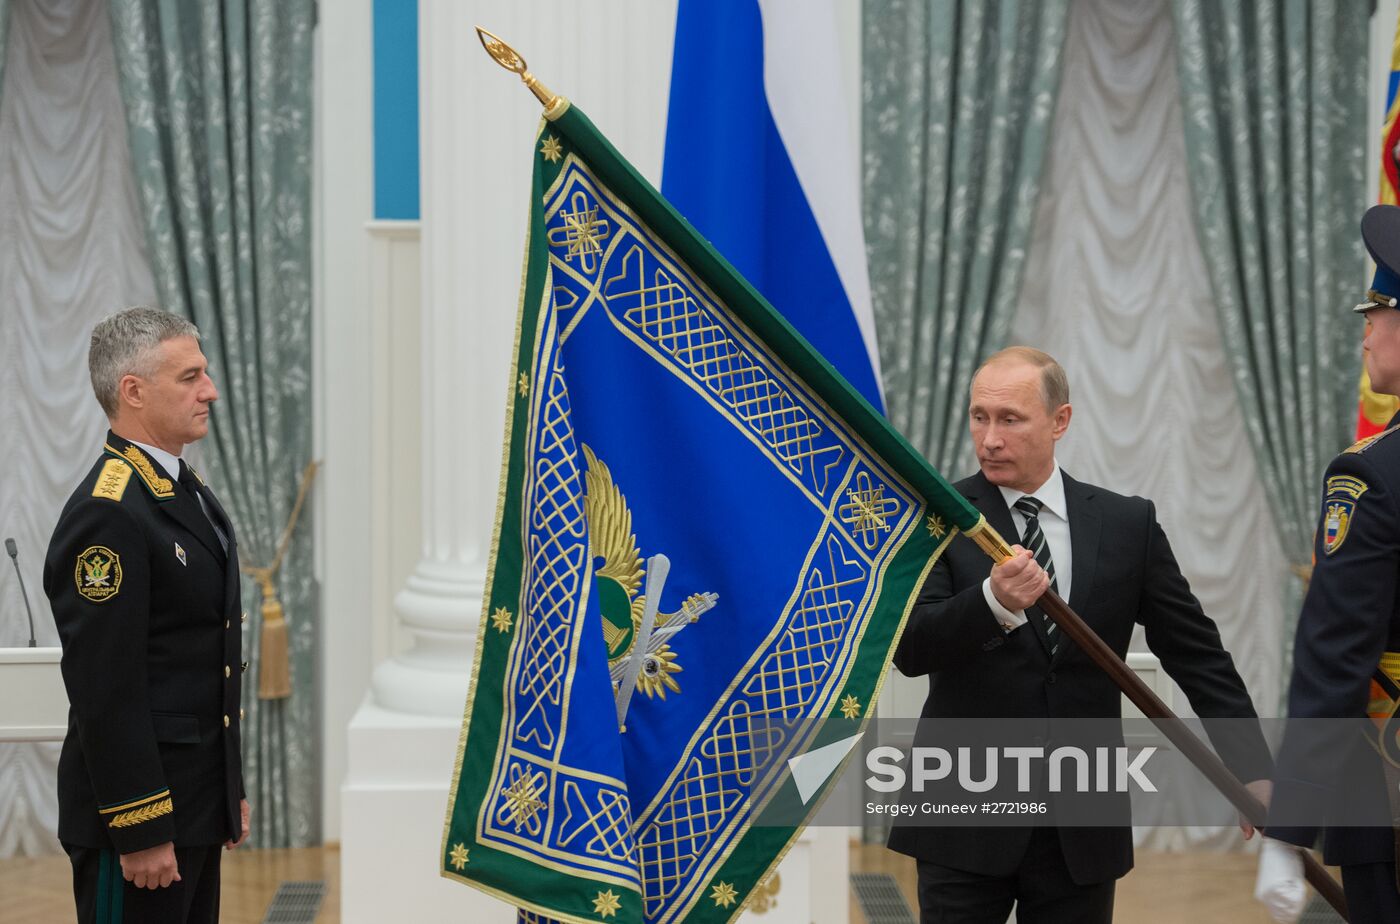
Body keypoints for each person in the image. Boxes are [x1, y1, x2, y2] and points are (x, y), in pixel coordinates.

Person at [887, 346, 1273, 923]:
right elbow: (911, 649)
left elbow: (1198, 655)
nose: (989, 438)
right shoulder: (936, 518)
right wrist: (993, 602)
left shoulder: (1126, 524)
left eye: (1010, 419)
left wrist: (1251, 768)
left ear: (1059, 421)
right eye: (979, 417)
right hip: (962, 817)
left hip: (1080, 825)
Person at [44, 306, 249, 923]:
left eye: (205, 373)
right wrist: (141, 825)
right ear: (133, 391)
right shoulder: (109, 511)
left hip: (190, 807)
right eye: (190, 377)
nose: (209, 390)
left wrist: (226, 788)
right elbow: (107, 686)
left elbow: (201, 657)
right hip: (138, 823)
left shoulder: (182, 489)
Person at [1259, 204, 1400, 923]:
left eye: (1377, 311)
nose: (1366, 330)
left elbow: (1335, 655)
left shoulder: (1372, 474)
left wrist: (1289, 827)